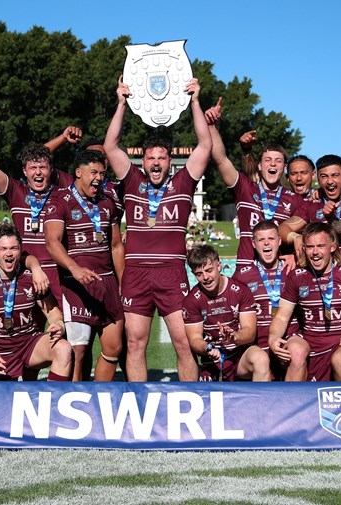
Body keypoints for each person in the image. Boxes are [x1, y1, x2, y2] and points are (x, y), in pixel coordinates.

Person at [102, 75, 211, 382]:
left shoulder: (183, 182)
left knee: (184, 343)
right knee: (135, 344)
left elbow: (205, 144)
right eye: (150, 157)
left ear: (170, 160)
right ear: (143, 161)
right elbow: (110, 145)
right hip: (136, 273)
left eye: (161, 157)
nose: (156, 162)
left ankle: (190, 399)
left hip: (171, 273)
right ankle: (140, 401)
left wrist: (195, 101)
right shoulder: (131, 180)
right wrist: (121, 104)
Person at [0, 111, 75, 305]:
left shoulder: (64, 194)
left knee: (61, 323)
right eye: (33, 168)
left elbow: (41, 156)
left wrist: (62, 139)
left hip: (57, 273)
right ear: (24, 172)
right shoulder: (15, 191)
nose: (38, 172)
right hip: (23, 271)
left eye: (43, 167)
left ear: (51, 170)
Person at [45, 149, 125, 381]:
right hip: (77, 285)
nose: (99, 178)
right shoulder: (59, 200)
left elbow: (116, 246)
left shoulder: (107, 203)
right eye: (93, 172)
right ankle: (75, 397)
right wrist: (75, 269)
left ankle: (99, 394)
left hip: (107, 282)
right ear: (78, 173)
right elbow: (52, 242)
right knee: (78, 351)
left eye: (102, 173)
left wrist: (123, 282)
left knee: (113, 349)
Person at [0, 224, 72, 381]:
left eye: (13, 248)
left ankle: (52, 396)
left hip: (29, 346)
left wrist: (59, 325)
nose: (8, 253)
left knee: (64, 349)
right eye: (3, 249)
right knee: (3, 395)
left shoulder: (33, 277)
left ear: (20, 250)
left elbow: (53, 312)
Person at [205, 98, 303, 268]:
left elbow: (308, 237)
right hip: (247, 269)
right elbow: (221, 159)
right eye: (268, 160)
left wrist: (296, 256)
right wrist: (212, 126)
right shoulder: (244, 188)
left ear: (284, 167)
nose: (273, 164)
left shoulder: (294, 199)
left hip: (279, 272)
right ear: (259, 166)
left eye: (278, 161)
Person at [268, 222, 341, 382]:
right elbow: (281, 316)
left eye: (320, 246)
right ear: (303, 248)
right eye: (310, 247)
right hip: (312, 343)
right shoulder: (297, 276)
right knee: (296, 351)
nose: (315, 252)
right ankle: (293, 398)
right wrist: (273, 338)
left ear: (332, 246)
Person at [232, 220, 309, 380]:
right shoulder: (242, 275)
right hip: (256, 343)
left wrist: (298, 257)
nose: (266, 243)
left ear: (279, 241)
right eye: (261, 239)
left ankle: (292, 396)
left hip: (288, 338)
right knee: (259, 359)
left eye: (271, 238)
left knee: (298, 350)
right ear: (253, 244)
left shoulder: (295, 269)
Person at [183, 245, 269, 381]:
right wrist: (207, 347)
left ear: (219, 266)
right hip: (213, 361)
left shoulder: (240, 290)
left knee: (260, 358)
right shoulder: (191, 300)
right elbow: (194, 339)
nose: (205, 277)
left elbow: (250, 332)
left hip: (240, 356)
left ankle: (260, 396)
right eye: (199, 274)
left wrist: (235, 336)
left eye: (209, 270)